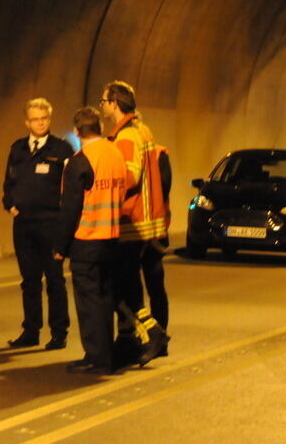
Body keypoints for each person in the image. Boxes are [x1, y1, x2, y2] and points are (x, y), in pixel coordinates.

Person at [99, 81, 169, 366]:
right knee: (129, 285)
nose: (102, 105)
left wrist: (99, 181)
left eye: (104, 100)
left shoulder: (127, 136)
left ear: (114, 103)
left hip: (129, 221)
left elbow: (128, 177)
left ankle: (151, 333)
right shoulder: (142, 129)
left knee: (121, 288)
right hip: (146, 221)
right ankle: (127, 342)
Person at [53, 107, 127, 374]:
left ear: (76, 132)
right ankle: (106, 351)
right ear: (101, 128)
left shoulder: (80, 160)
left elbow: (70, 207)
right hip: (112, 237)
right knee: (105, 297)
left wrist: (60, 247)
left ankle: (96, 357)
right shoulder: (115, 153)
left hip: (87, 238)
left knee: (88, 302)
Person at [3, 98, 74, 350]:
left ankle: (59, 333)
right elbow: (9, 182)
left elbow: (70, 186)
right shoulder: (18, 149)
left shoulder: (62, 149)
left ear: (49, 119)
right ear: (27, 122)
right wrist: (9, 204)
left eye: (44, 118)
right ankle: (31, 331)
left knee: (55, 279)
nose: (40, 122)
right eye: (35, 119)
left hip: (51, 223)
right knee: (29, 280)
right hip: (23, 224)